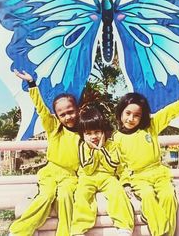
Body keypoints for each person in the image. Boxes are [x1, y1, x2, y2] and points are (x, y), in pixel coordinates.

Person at [114, 87, 179, 236]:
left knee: (168, 195)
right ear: (121, 112)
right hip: (138, 178)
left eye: (136, 115)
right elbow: (121, 165)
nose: (131, 118)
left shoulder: (150, 127)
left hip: (159, 173)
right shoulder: (117, 138)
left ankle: (168, 233)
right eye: (128, 113)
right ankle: (159, 231)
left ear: (142, 117)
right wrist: (125, 183)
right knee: (147, 195)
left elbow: (168, 112)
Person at [9, 70, 80, 236]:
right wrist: (32, 84)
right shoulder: (54, 128)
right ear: (57, 116)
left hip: (71, 177)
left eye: (70, 111)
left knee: (65, 196)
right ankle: (19, 231)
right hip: (50, 174)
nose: (68, 116)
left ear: (77, 109)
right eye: (62, 114)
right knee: (46, 196)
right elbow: (41, 108)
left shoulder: (85, 131)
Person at [71, 104, 134, 236]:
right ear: (83, 135)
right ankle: (79, 229)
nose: (93, 136)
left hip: (107, 177)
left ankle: (124, 227)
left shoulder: (111, 145)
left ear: (103, 131)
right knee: (81, 195)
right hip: (88, 178)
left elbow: (113, 167)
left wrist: (102, 150)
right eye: (88, 133)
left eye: (97, 132)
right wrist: (94, 152)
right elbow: (87, 169)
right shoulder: (83, 146)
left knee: (117, 192)